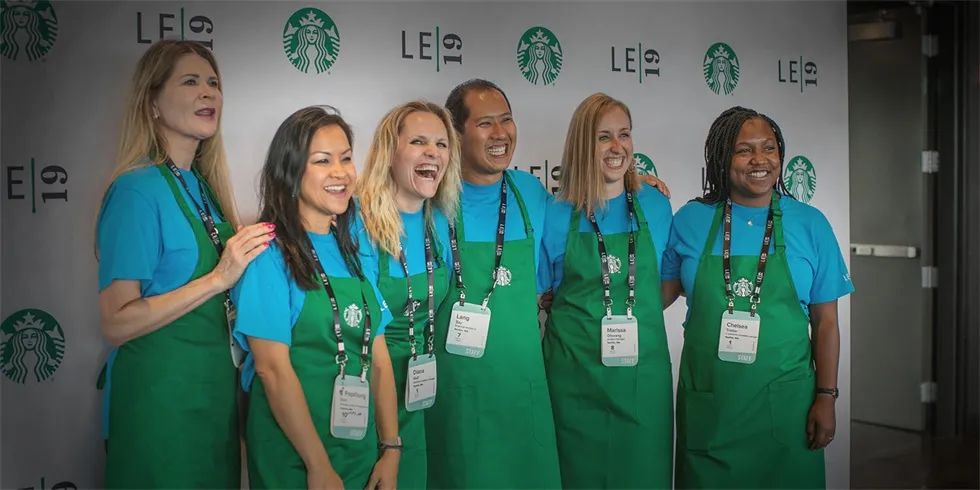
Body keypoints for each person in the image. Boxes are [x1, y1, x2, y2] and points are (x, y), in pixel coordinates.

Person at [96, 39, 272, 489]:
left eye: (213, 83)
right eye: (190, 82)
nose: (208, 92)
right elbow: (115, 321)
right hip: (160, 406)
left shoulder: (205, 188)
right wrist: (217, 279)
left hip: (213, 400)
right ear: (152, 102)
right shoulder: (137, 191)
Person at [662, 106, 853, 489]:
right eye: (744, 150)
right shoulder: (690, 220)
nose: (760, 160)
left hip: (787, 409)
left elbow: (826, 323)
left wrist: (826, 396)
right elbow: (652, 300)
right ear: (722, 158)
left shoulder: (810, 224)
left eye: (769, 148)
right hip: (712, 411)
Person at [232, 106, 400, 489]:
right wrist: (318, 465)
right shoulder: (268, 253)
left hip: (358, 451)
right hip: (297, 458)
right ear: (291, 173)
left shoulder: (351, 248)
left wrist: (391, 448)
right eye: (323, 161)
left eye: (346, 158)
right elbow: (272, 369)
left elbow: (378, 357)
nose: (340, 172)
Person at [424, 79, 563, 488]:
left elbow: (591, 212)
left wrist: (634, 185)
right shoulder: (429, 199)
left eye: (507, 120)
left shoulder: (531, 193)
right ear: (456, 133)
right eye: (485, 123)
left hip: (523, 395)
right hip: (456, 396)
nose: (501, 133)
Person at [539, 93, 674, 488]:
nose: (617, 147)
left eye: (624, 134)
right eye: (603, 137)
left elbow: (666, 285)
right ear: (582, 144)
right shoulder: (554, 213)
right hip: (574, 381)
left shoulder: (657, 206)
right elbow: (542, 293)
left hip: (642, 383)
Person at [357, 100, 460, 489]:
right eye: (418, 142)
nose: (433, 152)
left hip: (419, 394)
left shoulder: (441, 221)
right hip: (368, 396)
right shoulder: (357, 222)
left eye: (441, 144)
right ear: (390, 152)